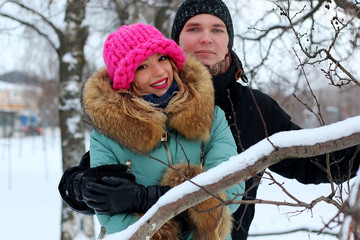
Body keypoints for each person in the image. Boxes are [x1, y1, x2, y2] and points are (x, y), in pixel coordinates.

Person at [58, 0, 360, 239]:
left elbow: (316, 162)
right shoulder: (135, 108)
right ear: (175, 41)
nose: (205, 38)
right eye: (194, 28)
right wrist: (82, 187)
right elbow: (93, 178)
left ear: (228, 41)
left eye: (217, 29)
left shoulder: (253, 106)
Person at [73, 22, 244, 239]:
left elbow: (232, 189)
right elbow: (112, 219)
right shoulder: (105, 136)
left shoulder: (211, 115)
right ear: (127, 79)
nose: (159, 72)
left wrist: (151, 198)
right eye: (141, 67)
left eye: (162, 58)